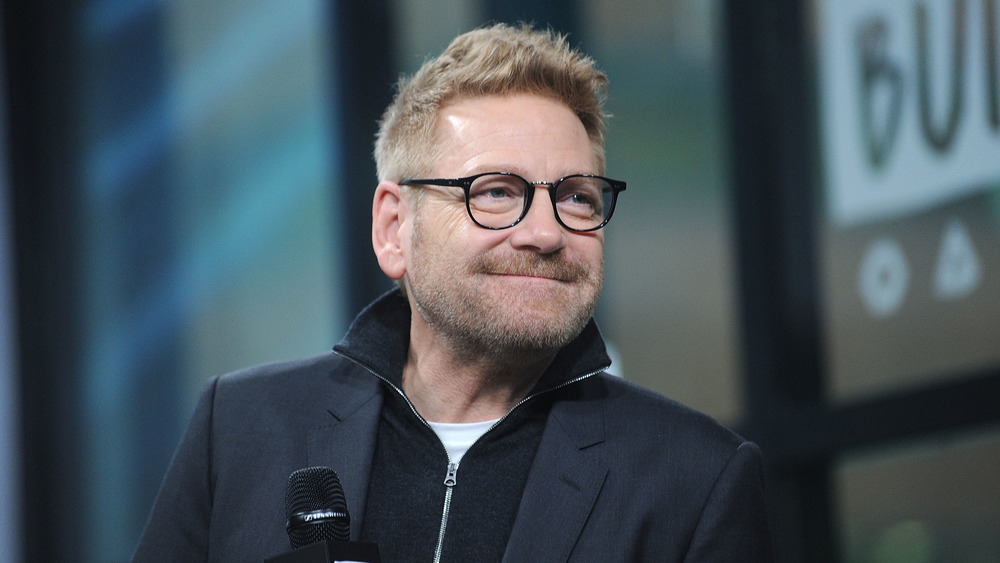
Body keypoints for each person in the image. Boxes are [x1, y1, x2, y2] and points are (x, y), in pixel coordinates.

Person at [132, 23, 772, 562]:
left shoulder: (694, 479)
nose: (546, 232)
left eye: (576, 197)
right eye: (496, 192)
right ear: (393, 229)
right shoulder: (242, 428)